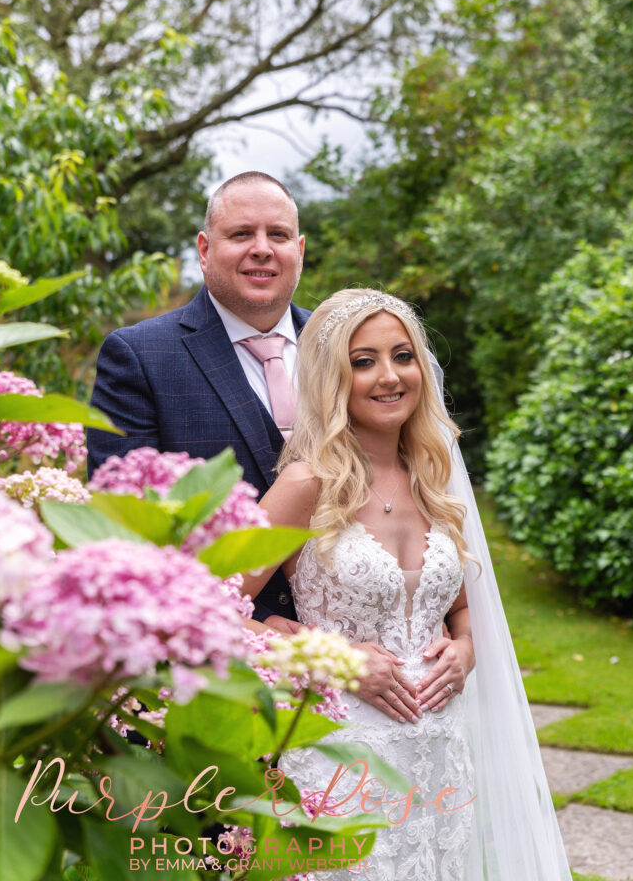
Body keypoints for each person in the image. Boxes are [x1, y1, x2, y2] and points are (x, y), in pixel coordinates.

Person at [242, 288, 572, 881]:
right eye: (363, 361)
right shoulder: (305, 485)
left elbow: (465, 606)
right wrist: (321, 657)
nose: (389, 376)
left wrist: (467, 649)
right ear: (331, 377)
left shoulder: (435, 477)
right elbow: (200, 611)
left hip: (441, 756)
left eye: (403, 355)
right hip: (337, 758)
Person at [87, 171, 309, 621]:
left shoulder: (349, 349)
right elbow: (123, 527)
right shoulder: (138, 356)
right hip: (214, 660)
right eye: (242, 233)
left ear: (299, 251)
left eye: (278, 235)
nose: (262, 248)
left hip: (375, 658)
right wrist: (252, 627)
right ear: (205, 250)